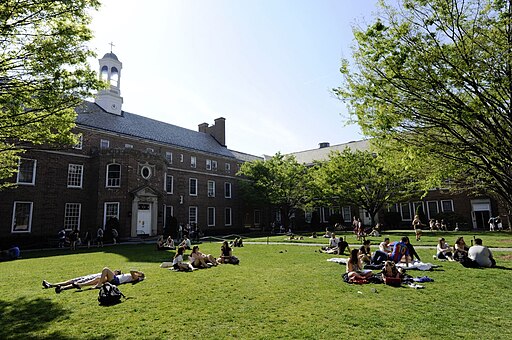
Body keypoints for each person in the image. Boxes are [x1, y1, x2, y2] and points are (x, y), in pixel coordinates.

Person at [75, 267, 145, 289]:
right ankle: (81, 285)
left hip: (116, 280)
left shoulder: (136, 278)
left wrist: (138, 272)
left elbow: (131, 271)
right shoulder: (135, 276)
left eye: (140, 273)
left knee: (106, 269)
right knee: (98, 279)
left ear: (140, 275)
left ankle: (99, 285)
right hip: (115, 279)